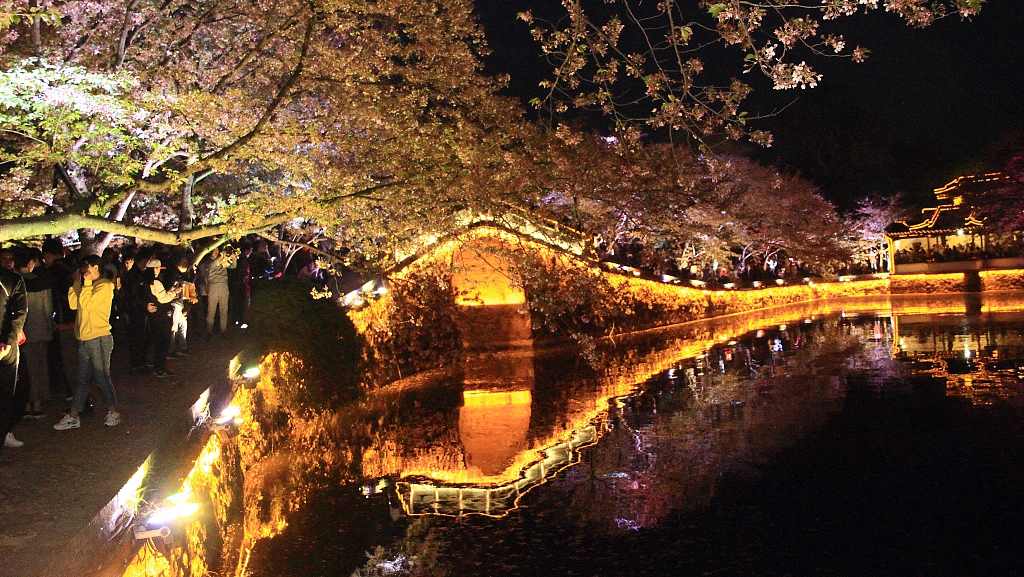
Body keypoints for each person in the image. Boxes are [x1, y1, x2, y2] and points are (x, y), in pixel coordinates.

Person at [54, 255, 120, 430]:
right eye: (82, 269)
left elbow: (88, 305)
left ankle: (113, 411)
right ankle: (74, 416)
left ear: (96, 267)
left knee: (101, 377)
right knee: (82, 379)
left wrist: (87, 284)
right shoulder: (86, 285)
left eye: (87, 268)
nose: (84, 272)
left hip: (99, 338)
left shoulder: (105, 285)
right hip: (84, 339)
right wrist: (76, 283)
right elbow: (74, 304)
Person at [15, 248, 53, 419]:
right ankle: (38, 401)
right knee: (40, 365)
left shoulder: (15, 282)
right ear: (32, 262)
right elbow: (48, 309)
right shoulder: (42, 282)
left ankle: (30, 401)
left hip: (23, 332)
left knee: (27, 368)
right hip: (41, 329)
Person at [0, 255, 28, 449]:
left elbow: (19, 312)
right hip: (7, 346)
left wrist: (9, 340)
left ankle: (5, 432)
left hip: (6, 347)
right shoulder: (11, 279)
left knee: (6, 393)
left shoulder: (11, 280)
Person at [122, 249, 153, 374]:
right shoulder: (134, 275)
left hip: (139, 310)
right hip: (136, 312)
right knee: (137, 338)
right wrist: (144, 305)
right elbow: (133, 296)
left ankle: (141, 363)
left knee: (143, 338)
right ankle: (137, 364)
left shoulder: (140, 273)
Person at [147, 258, 180, 377]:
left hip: (154, 316)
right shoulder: (155, 282)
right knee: (162, 341)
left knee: (158, 341)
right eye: (157, 268)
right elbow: (163, 298)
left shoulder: (148, 281)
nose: (158, 270)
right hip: (160, 316)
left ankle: (157, 365)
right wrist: (174, 293)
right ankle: (159, 368)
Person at [167, 255, 197, 356]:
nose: (184, 264)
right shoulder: (174, 275)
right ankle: (171, 350)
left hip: (181, 305)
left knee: (183, 325)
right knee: (174, 327)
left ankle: (182, 347)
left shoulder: (186, 276)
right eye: (183, 262)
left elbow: (192, 292)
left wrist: (188, 306)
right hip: (174, 303)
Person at [202, 246, 234, 337]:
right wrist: (223, 256)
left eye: (217, 250)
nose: (216, 252)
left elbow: (233, 266)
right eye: (214, 250)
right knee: (211, 310)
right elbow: (213, 265)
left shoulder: (222, 260)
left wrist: (233, 257)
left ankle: (223, 330)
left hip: (224, 286)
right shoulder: (208, 262)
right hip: (214, 287)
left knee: (224, 309)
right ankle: (209, 331)